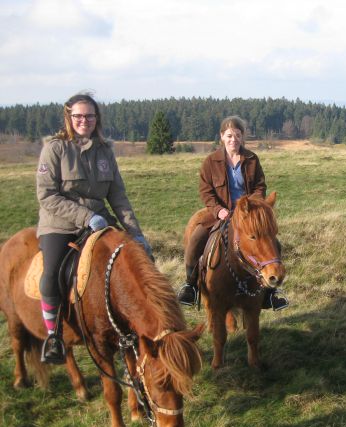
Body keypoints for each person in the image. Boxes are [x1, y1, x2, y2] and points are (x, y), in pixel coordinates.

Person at [36, 92, 153, 364]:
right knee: (52, 274)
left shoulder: (104, 150)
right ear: (69, 117)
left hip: (100, 223)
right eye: (78, 115)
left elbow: (118, 196)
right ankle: (53, 335)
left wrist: (136, 234)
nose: (84, 120)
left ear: (96, 118)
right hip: (60, 224)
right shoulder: (54, 149)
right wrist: (85, 215)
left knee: (137, 262)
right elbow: (47, 196)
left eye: (89, 115)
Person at [176, 116, 288, 310]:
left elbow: (260, 186)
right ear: (221, 137)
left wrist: (252, 206)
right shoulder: (211, 162)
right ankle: (191, 285)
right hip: (220, 215)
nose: (233, 140)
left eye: (237, 135)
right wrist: (218, 210)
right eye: (229, 135)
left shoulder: (252, 159)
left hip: (247, 215)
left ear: (242, 137)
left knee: (274, 244)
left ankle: (271, 293)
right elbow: (206, 191)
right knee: (195, 240)